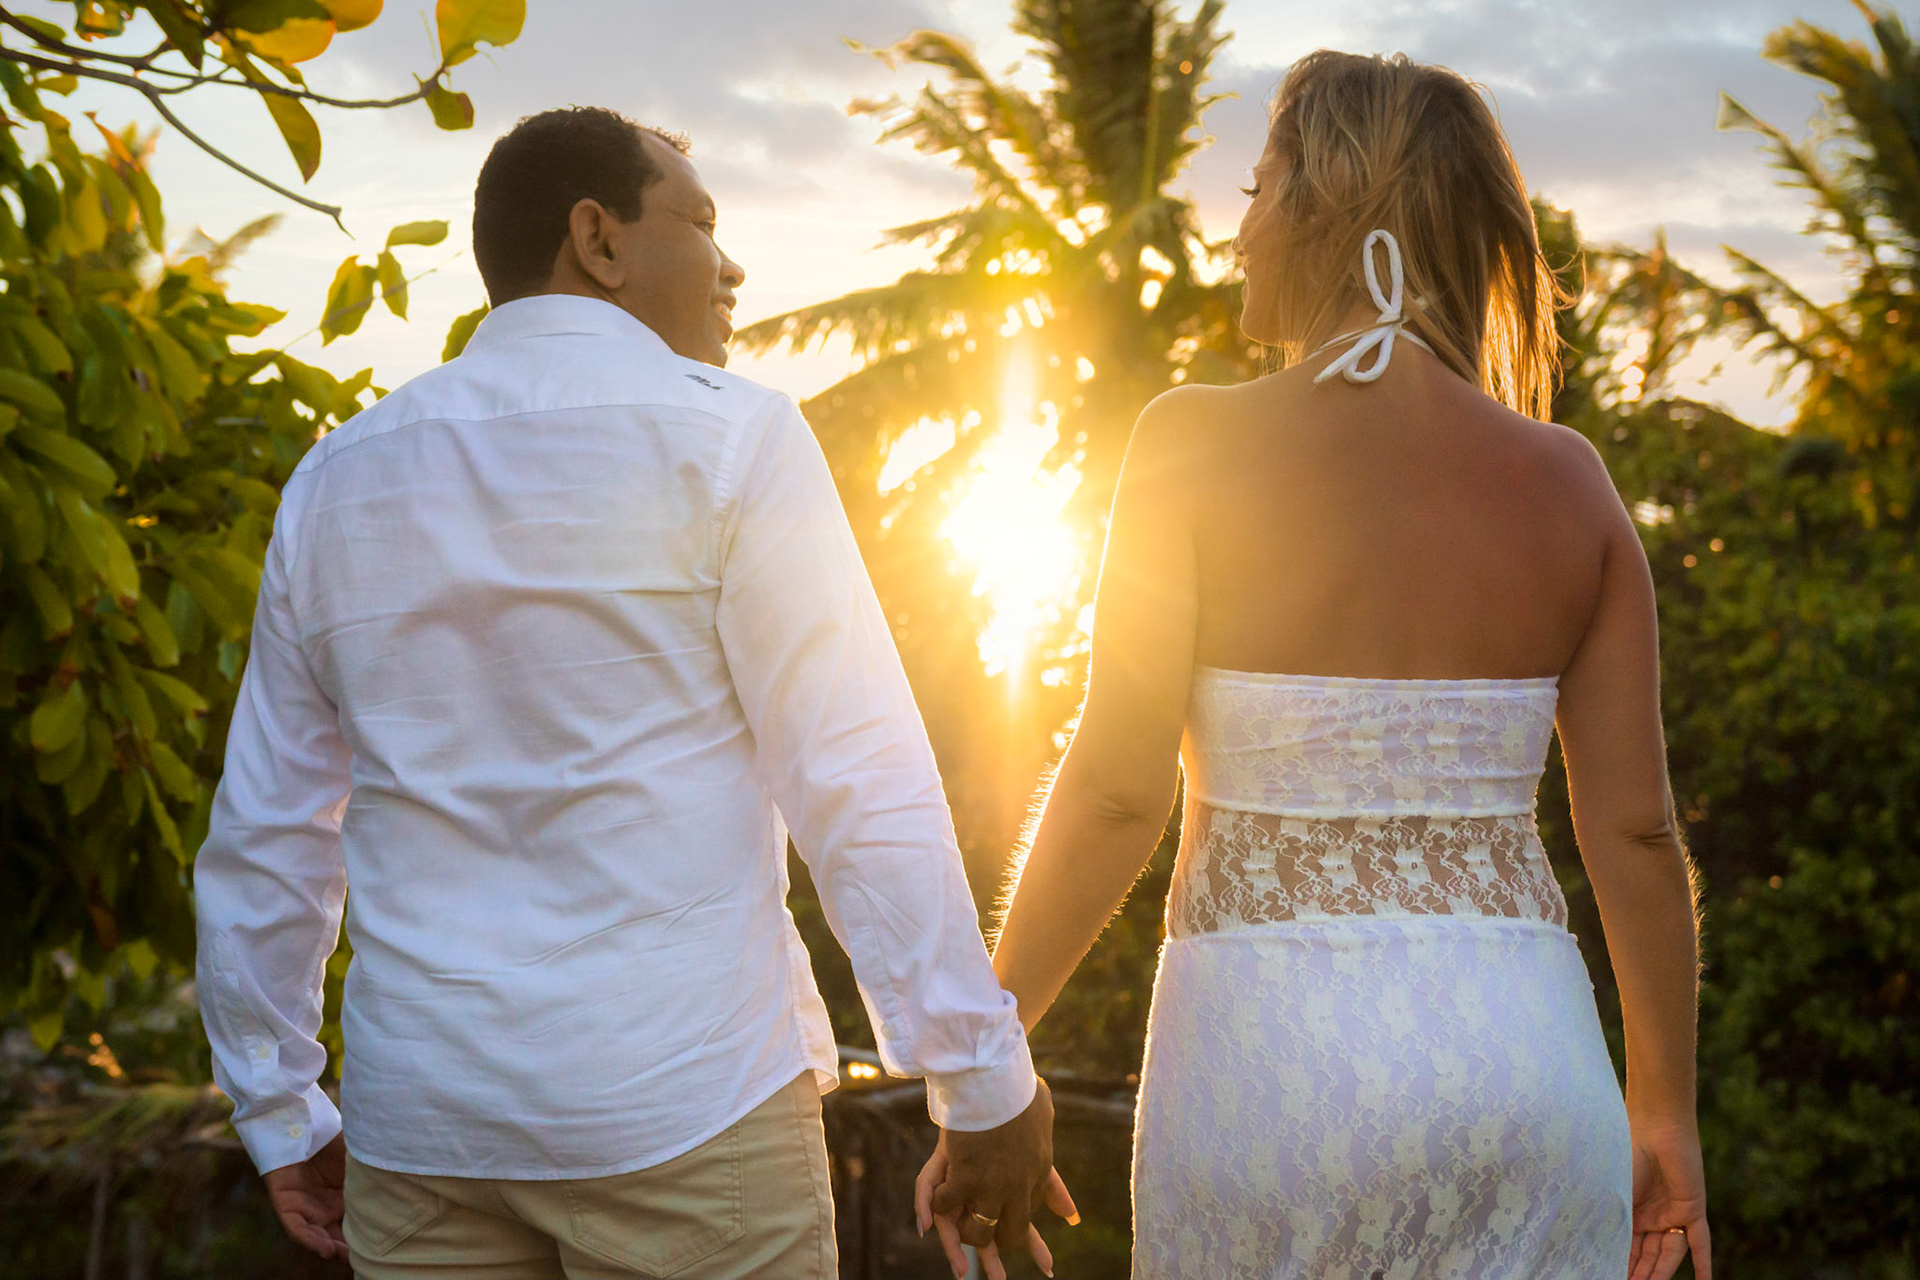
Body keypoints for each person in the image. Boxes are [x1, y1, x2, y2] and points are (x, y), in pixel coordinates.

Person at [193, 106, 1067, 1279]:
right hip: (685, 1108)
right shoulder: (735, 438)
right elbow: (854, 775)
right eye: (702, 224)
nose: (732, 266)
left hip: (425, 1131)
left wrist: (278, 1102)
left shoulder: (336, 476)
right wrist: (980, 1074)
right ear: (598, 239)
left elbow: (270, 827)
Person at [922, 50, 1711, 1280]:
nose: (1237, 232)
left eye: (1256, 189)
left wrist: (990, 1053)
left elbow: (1120, 793)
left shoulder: (1189, 445)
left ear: (1328, 201)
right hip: (1528, 1077)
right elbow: (1638, 834)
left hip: (1268, 1085)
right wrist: (1665, 1113)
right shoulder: (1571, 482)